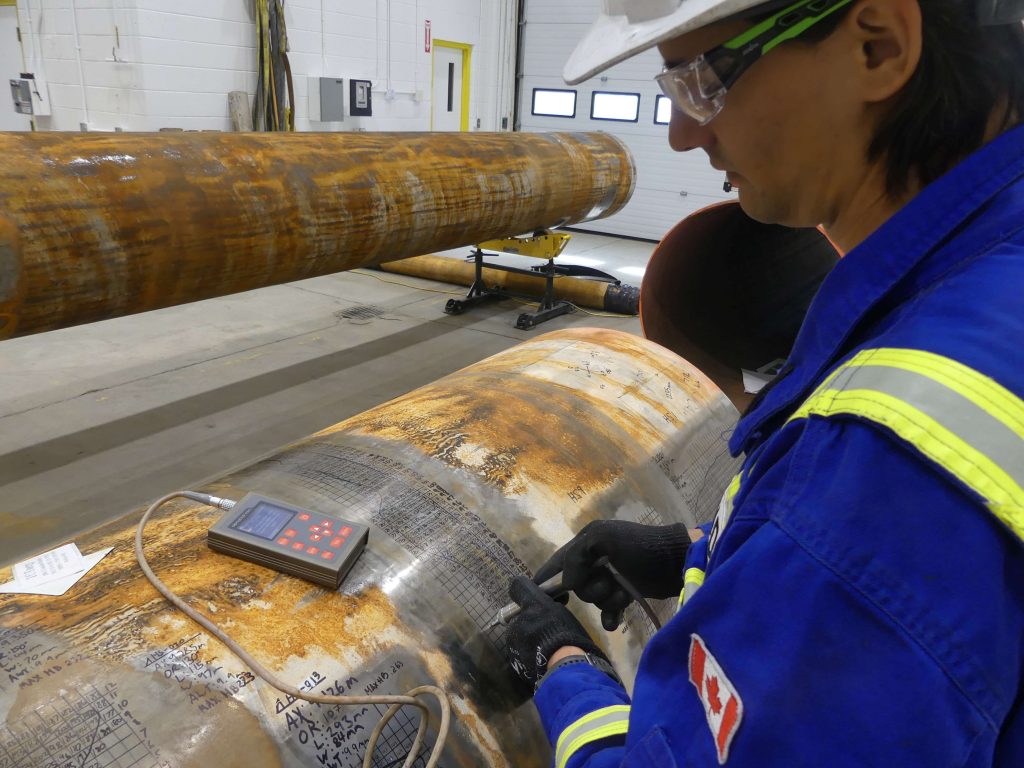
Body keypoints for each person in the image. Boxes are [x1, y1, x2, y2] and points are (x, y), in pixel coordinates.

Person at [502, 0, 1024, 764]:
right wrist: (699, 556)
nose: (684, 132)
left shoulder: (881, 474)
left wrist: (566, 671)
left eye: (703, 82)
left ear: (879, 45)